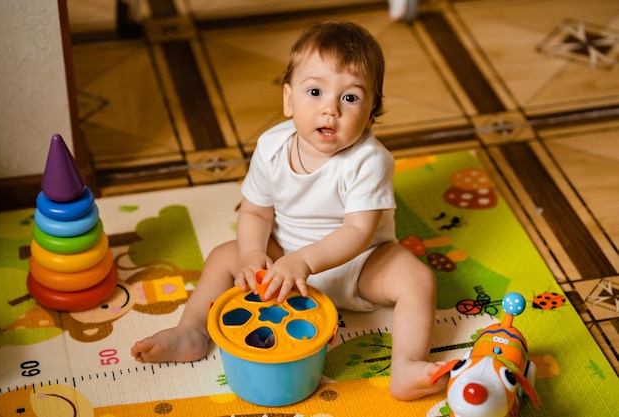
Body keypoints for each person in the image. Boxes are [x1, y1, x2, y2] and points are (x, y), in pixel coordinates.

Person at [131, 20, 447, 401]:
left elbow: (357, 232)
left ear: (372, 110)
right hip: (282, 260)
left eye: (350, 98)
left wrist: (306, 261)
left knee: (418, 280)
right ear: (287, 99)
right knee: (223, 256)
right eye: (314, 91)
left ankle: (406, 364)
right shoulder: (271, 146)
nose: (330, 109)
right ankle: (192, 331)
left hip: (361, 263)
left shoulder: (370, 160)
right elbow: (256, 212)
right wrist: (252, 256)